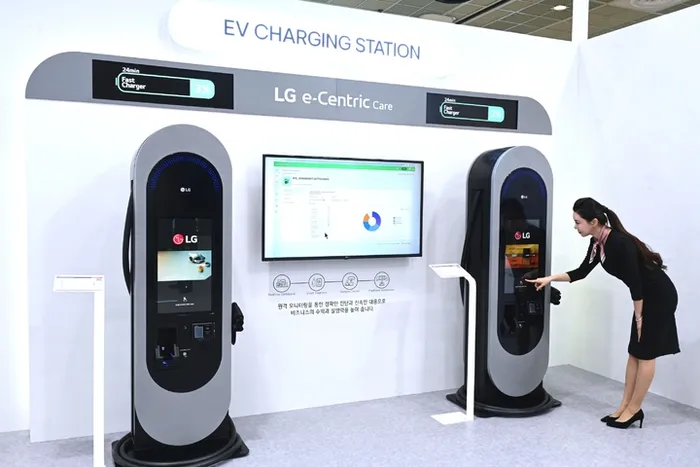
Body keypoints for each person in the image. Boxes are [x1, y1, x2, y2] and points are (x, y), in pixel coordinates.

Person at [526, 197, 680, 429]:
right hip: (645, 297)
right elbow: (580, 272)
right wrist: (550, 278)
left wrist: (639, 318)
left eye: (578, 222)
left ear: (594, 222)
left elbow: (636, 283)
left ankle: (634, 409)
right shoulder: (598, 243)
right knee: (634, 352)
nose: (575, 227)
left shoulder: (619, 242)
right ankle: (624, 407)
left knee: (646, 353)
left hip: (658, 296)